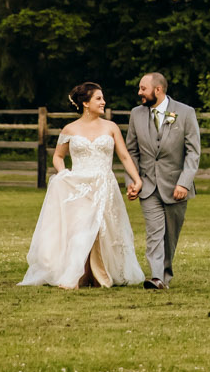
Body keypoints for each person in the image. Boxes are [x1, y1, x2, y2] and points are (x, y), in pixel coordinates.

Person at [19, 82, 147, 288]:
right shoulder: (70, 129)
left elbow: (124, 156)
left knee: (103, 230)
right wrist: (64, 176)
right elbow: (58, 157)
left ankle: (100, 273)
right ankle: (78, 273)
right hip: (78, 186)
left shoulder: (111, 127)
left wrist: (137, 179)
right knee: (80, 229)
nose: (103, 102)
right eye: (99, 98)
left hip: (104, 185)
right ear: (86, 103)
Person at [128, 72, 200, 290]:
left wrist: (184, 183)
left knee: (170, 236)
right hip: (148, 186)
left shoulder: (186, 113)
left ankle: (165, 274)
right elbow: (130, 151)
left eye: (143, 88)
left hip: (176, 186)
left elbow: (193, 152)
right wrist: (133, 181)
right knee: (154, 233)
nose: (139, 93)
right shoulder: (136, 114)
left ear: (157, 90)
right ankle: (157, 276)